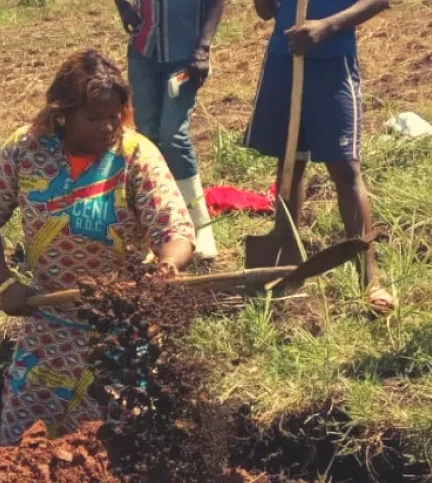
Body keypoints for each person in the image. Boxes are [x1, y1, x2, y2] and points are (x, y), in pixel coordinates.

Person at [0, 50, 196, 445]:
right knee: (22, 453)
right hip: (47, 326)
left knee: (111, 449)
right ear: (63, 114)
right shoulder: (26, 150)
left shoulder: (135, 155)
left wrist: (167, 267)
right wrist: (6, 283)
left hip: (117, 331)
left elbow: (176, 230)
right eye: (94, 117)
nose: (107, 127)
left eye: (114, 116)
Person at [243, 0, 396, 314]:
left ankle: (370, 279)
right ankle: (285, 262)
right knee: (290, 162)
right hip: (284, 58)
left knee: (345, 169)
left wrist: (328, 26)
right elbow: (266, 11)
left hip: (332, 61)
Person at [116, 0, 226, 260]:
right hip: (144, 51)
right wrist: (123, 7)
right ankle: (150, 232)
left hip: (185, 55)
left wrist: (203, 48)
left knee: (173, 137)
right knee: (146, 139)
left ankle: (200, 227)